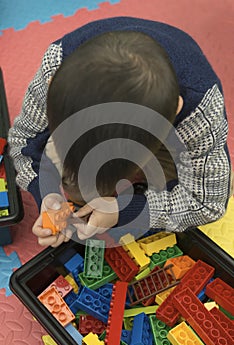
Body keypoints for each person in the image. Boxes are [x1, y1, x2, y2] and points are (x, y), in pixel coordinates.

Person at [8, 17, 231, 247]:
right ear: (51, 85)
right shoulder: (56, 65)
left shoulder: (200, 112)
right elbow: (22, 140)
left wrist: (126, 210)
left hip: (174, 136)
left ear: (174, 112)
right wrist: (47, 194)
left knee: (185, 193)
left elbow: (207, 202)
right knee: (78, 187)